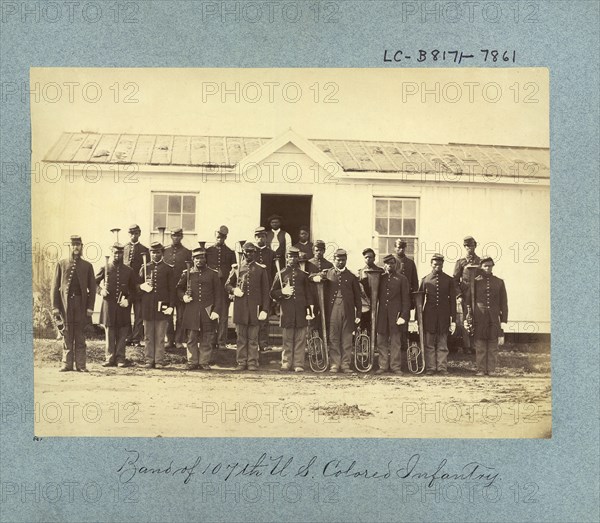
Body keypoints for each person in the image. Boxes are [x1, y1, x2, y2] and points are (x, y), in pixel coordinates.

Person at [51, 235, 96, 372]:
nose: (76, 247)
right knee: (67, 333)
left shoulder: (87, 266)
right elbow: (54, 286)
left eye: (78, 244)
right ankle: (66, 364)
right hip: (66, 305)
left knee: (80, 334)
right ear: (69, 246)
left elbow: (92, 289)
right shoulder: (61, 264)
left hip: (81, 305)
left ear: (82, 247)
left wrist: (90, 307)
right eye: (73, 245)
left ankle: (81, 365)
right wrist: (55, 307)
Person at [314, 249, 361, 374]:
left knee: (346, 339)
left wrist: (359, 314)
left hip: (348, 310)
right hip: (332, 310)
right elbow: (310, 277)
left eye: (343, 260)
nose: (341, 262)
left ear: (346, 260)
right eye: (338, 260)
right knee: (333, 338)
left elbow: (358, 297)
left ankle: (345, 365)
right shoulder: (327, 273)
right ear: (334, 260)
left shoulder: (351, 276)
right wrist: (317, 277)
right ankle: (335, 364)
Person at [225, 242, 270, 371]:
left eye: (251, 252)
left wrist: (265, 309)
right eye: (247, 252)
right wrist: (234, 290)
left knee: (253, 338)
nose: (249, 254)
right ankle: (241, 361)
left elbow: (265, 291)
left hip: (254, 308)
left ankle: (252, 362)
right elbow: (227, 285)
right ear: (243, 253)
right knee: (241, 338)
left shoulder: (261, 269)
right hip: (240, 308)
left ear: (255, 253)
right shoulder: (237, 268)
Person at [176, 246, 223, 370]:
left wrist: (216, 310)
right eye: (196, 258)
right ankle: (192, 361)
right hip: (192, 310)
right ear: (193, 259)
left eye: (202, 257)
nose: (199, 260)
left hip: (207, 310)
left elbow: (219, 295)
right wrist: (184, 297)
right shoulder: (187, 273)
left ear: (205, 258)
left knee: (206, 338)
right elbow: (179, 289)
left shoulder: (213, 274)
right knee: (191, 338)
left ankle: (204, 362)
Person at [270, 247, 315, 372]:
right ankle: (286, 362)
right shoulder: (280, 274)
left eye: (295, 256)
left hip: (301, 311)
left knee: (300, 339)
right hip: (287, 311)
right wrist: (282, 292)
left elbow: (308, 295)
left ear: (297, 258)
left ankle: (298, 364)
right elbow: (272, 293)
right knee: (288, 339)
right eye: (290, 256)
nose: (292, 259)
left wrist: (310, 310)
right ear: (286, 258)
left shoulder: (303, 275)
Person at [464, 257, 508, 376]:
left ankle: (491, 369)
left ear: (492, 266)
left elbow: (504, 302)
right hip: (479, 317)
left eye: (490, 265)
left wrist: (503, 320)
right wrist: (468, 317)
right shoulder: (475, 282)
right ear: (481, 267)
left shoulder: (499, 282)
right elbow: (468, 301)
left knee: (493, 345)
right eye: (485, 266)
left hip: (494, 317)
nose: (487, 268)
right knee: (480, 345)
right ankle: (481, 369)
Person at [95, 243, 137, 368]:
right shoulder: (105, 267)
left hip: (123, 306)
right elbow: (94, 283)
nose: (117, 255)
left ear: (122, 254)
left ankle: (120, 358)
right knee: (110, 332)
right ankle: (109, 358)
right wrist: (101, 291)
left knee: (122, 333)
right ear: (112, 253)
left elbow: (134, 290)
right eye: (115, 253)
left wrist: (128, 301)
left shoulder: (129, 270)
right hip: (109, 305)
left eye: (120, 253)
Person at [137, 242, 175, 368]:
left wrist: (171, 306)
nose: (155, 254)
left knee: (160, 336)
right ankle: (149, 360)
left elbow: (172, 290)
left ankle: (159, 360)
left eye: (158, 252)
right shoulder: (145, 268)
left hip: (162, 308)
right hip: (147, 307)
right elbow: (136, 287)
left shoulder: (168, 269)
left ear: (162, 253)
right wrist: (141, 287)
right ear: (150, 253)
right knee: (148, 336)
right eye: (153, 252)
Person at [418, 254, 456, 375]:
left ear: (442, 265)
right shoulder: (425, 280)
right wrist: (417, 320)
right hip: (429, 316)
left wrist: (453, 319)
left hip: (444, 316)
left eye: (439, 264)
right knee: (429, 344)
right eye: (435, 264)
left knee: (442, 344)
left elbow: (453, 302)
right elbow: (419, 301)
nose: (437, 266)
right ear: (431, 264)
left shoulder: (449, 280)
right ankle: (430, 368)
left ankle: (442, 368)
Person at [376, 255, 410, 375]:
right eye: (387, 264)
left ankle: (395, 366)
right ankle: (383, 365)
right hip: (382, 315)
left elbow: (406, 300)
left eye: (392, 263)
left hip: (396, 315)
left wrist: (404, 316)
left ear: (395, 264)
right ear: (384, 265)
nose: (389, 266)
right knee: (381, 341)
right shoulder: (380, 278)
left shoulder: (402, 279)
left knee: (396, 342)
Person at [206, 225, 236, 350]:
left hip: (224, 289)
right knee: (211, 315)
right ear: (215, 235)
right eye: (218, 236)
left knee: (223, 316)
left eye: (222, 237)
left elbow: (234, 273)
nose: (220, 239)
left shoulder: (230, 252)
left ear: (226, 237)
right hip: (211, 289)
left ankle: (222, 341)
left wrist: (231, 290)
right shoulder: (208, 251)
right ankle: (211, 341)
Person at [164, 227, 192, 349]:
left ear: (181, 237)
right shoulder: (164, 251)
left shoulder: (187, 252)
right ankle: (169, 340)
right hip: (166, 289)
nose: (176, 238)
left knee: (181, 316)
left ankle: (179, 340)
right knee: (167, 316)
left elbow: (190, 272)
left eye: (178, 236)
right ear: (171, 236)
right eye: (173, 235)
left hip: (181, 289)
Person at [453, 236, 482, 354]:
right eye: (467, 246)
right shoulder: (460, 262)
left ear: (475, 246)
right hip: (465, 295)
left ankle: (476, 344)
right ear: (464, 247)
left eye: (472, 245)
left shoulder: (481, 262)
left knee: (478, 318)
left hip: (479, 295)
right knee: (466, 318)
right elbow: (454, 280)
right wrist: (459, 295)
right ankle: (466, 345)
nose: (470, 248)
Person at [123, 224, 149, 347]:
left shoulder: (145, 250)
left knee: (139, 314)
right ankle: (127, 337)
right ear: (129, 234)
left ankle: (136, 338)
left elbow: (148, 269)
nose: (134, 235)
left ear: (139, 234)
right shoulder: (123, 249)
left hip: (138, 287)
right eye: (131, 233)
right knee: (125, 313)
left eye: (136, 233)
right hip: (126, 288)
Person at [393, 239, 419, 353]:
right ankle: (393, 347)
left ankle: (404, 347)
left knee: (404, 322)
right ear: (394, 248)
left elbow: (415, 281)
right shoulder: (391, 262)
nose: (400, 249)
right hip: (393, 298)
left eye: (403, 247)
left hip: (406, 298)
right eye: (398, 247)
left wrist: (413, 299)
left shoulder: (410, 262)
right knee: (393, 322)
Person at [254, 226, 276, 351]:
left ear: (266, 238)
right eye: (258, 236)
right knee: (253, 316)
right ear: (255, 238)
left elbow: (274, 273)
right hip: (254, 289)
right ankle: (254, 343)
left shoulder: (271, 253)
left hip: (266, 289)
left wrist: (272, 289)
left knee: (265, 316)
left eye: (263, 236)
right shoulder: (252, 252)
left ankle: (263, 343)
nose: (260, 238)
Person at [357, 248, 384, 335]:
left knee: (377, 325)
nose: (368, 259)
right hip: (366, 304)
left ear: (374, 258)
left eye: (370, 257)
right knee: (364, 325)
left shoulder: (380, 271)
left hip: (378, 302)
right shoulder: (361, 271)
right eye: (366, 257)